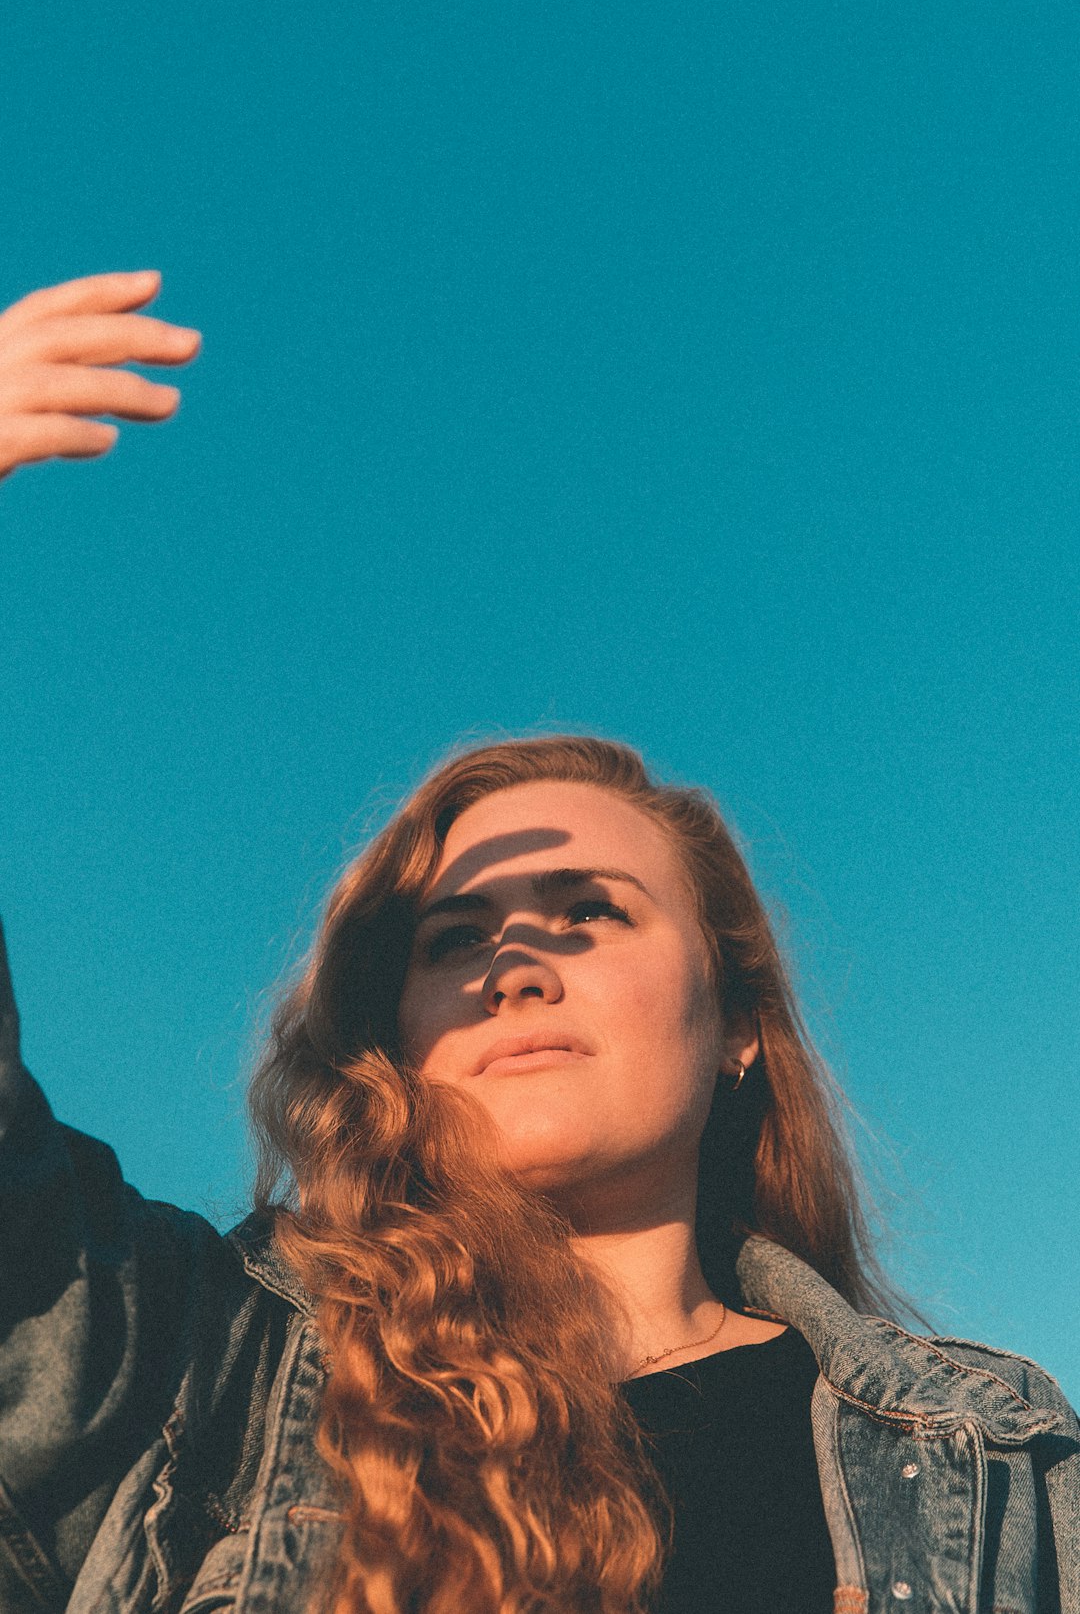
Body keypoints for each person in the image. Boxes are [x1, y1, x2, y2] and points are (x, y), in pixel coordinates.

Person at [1, 276, 1077, 1614]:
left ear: (740, 1024)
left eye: (589, 915)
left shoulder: (1000, 1456)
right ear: (394, 1038)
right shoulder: (206, 1366)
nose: (513, 965)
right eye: (452, 939)